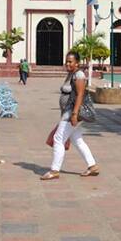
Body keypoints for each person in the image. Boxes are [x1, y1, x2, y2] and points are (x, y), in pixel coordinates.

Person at [41, 51, 99, 180]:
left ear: (77, 63)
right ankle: (92, 166)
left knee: (58, 138)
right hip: (68, 112)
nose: (67, 64)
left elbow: (80, 95)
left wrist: (74, 114)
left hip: (72, 112)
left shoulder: (79, 75)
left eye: (70, 61)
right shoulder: (71, 74)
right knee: (77, 139)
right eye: (66, 61)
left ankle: (55, 170)